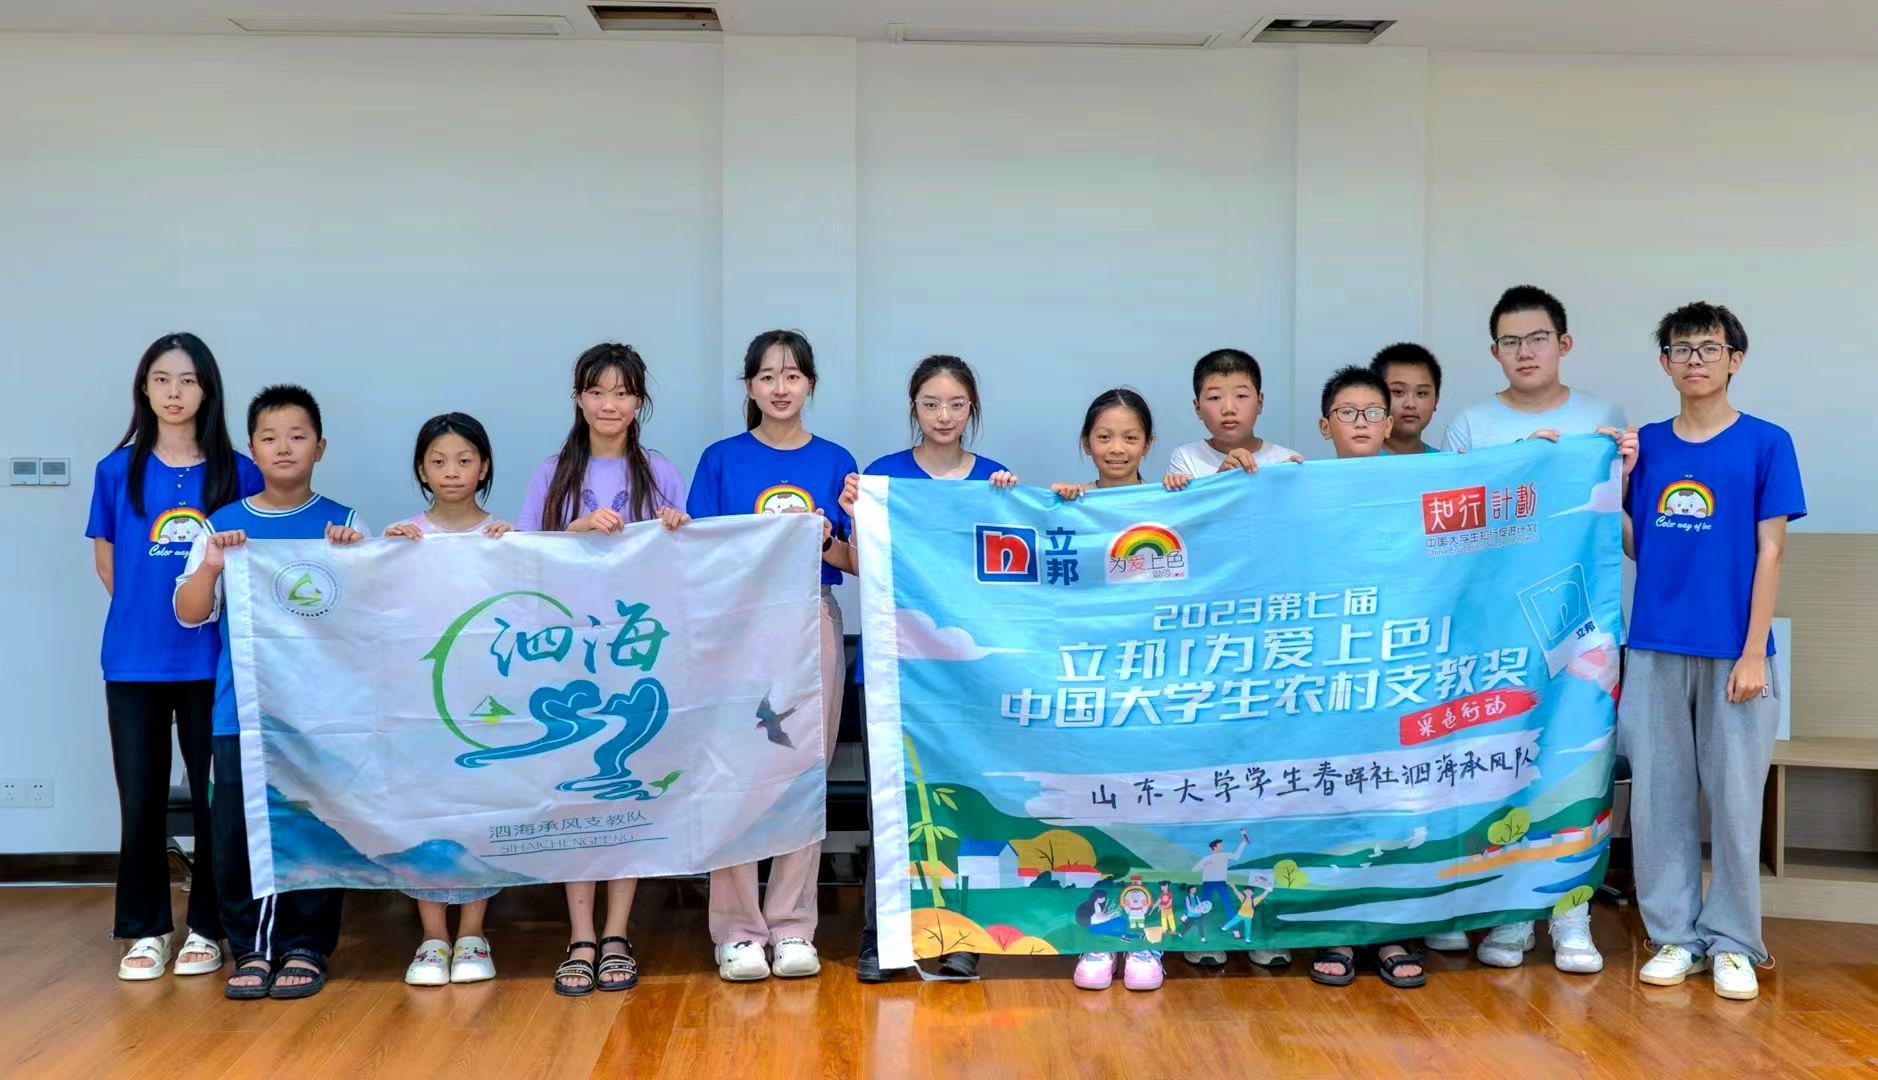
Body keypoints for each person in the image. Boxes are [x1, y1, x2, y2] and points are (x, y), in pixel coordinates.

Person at [1433, 285, 1619, 972]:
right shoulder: (1471, 424)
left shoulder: (1602, 417)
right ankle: (1510, 916)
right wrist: (1520, 465)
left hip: (1579, 625)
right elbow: (1446, 531)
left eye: (1537, 338)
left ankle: (1571, 916)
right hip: (1493, 631)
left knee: (1575, 766)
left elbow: (1615, 523)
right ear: (1494, 352)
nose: (1524, 352)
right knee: (1504, 768)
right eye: (1510, 342)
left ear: (1563, 343)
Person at [1622, 303, 1803, 1002]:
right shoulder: (1646, 444)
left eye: (1709, 347)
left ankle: (1733, 942)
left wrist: (1754, 652)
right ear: (1664, 362)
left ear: (1735, 360)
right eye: (1681, 348)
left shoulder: (1767, 442)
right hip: (1655, 647)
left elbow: (1771, 551)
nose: (1694, 359)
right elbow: (1639, 543)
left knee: (1733, 804)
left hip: (1735, 651)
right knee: (1658, 801)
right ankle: (1674, 936)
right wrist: (1616, 485)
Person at [172, 385, 364, 1000]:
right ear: (251, 449)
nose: (284, 448)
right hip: (242, 711)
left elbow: (368, 620)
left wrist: (355, 562)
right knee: (237, 832)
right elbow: (188, 612)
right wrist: (210, 565)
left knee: (314, 825)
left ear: (320, 447)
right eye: (270, 437)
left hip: (317, 715)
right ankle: (251, 948)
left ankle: (307, 946)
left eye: (297, 436)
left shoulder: (344, 524)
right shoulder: (222, 525)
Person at [837, 354, 1018, 984]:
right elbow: (860, 565)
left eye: (956, 404)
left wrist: (1016, 506)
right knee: (892, 809)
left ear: (973, 409)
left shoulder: (994, 480)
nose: (944, 415)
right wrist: (853, 516)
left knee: (965, 807)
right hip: (894, 671)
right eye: (931, 403)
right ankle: (881, 939)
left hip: (968, 676)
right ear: (913, 406)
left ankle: (962, 937)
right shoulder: (882, 477)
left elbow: (1012, 578)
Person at [88, 332, 262, 981]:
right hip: (132, 661)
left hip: (211, 663)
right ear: (145, 388)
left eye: (188, 380)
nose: (174, 392)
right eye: (162, 379)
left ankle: (208, 929)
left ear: (207, 390)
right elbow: (109, 565)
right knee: (140, 799)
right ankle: (146, 929)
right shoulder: (116, 470)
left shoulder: (238, 471)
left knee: (218, 804)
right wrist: (150, 618)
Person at [516, 344, 688, 997]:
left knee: (628, 788)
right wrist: (576, 529)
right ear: (578, 398)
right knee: (575, 792)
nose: (609, 404)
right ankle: (580, 935)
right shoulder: (552, 473)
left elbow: (686, 564)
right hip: (569, 656)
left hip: (640, 655)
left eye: (622, 392)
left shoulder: (661, 471)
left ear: (640, 401)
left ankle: (618, 932)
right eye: (597, 391)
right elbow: (522, 559)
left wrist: (675, 526)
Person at [688, 329, 857, 983]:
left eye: (791, 376)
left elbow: (855, 562)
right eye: (767, 376)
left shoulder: (837, 460)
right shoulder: (721, 460)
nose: (780, 388)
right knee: (733, 771)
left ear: (810, 383)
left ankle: (791, 927)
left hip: (811, 616)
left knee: (803, 772)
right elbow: (699, 552)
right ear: (750, 386)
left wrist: (826, 539)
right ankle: (736, 931)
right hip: (737, 625)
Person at [382, 413, 514, 987]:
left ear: (484, 467)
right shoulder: (402, 537)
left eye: (464, 460)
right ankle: (433, 936)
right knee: (425, 811)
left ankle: (474, 934)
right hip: (420, 703)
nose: (451, 471)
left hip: (487, 702)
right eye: (438, 461)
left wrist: (518, 552)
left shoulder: (504, 537)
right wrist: (381, 557)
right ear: (421, 469)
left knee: (482, 807)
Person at [1306, 366, 1425, 991]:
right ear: (1325, 425)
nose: (1360, 422)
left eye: (1372, 412)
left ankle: (1391, 930)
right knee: (1335, 798)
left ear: (1389, 421)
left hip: (1398, 668)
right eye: (1346, 413)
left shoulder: (1424, 480)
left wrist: (1548, 455)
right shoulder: (1296, 486)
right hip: (1326, 672)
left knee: (1391, 798)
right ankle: (1335, 927)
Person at [1052, 389, 1171, 993]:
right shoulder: (1069, 509)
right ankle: (1099, 936)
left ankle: (1150, 942)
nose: (1116, 448)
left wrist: (1191, 499)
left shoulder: (1174, 503)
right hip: (1093, 684)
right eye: (1104, 437)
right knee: (1098, 811)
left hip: (1156, 684)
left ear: (1149, 443)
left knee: (1153, 811)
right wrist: (1049, 506)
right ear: (1085, 443)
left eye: (1129, 437)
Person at [1163, 348, 1300, 485]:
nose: (1229, 409)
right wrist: (1222, 478)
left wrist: (1281, 482)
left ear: (1259, 403)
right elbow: (1190, 500)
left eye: (1241, 396)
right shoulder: (1186, 458)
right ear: (1198, 408)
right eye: (1215, 397)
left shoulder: (1286, 460)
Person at [1370, 342, 1443, 456]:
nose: (1410, 404)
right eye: (1398, 392)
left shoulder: (1443, 462)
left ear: (1436, 399)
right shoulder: (1359, 459)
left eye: (1421, 393)